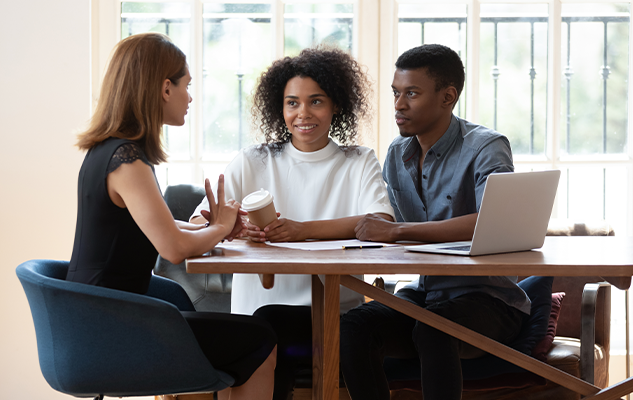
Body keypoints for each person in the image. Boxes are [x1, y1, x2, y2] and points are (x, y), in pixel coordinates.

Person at [66, 32, 277, 400]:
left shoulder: (107, 152)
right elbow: (175, 248)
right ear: (165, 88)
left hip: (95, 319)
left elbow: (159, 226)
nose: (190, 97)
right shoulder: (128, 161)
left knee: (225, 340)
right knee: (261, 341)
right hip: (110, 328)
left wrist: (215, 230)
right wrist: (223, 226)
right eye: (187, 86)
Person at [190, 46, 395, 399]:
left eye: (316, 101)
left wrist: (302, 231)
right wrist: (233, 228)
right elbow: (200, 220)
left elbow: (380, 221)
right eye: (292, 103)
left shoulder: (358, 161)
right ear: (279, 108)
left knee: (280, 332)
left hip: (335, 314)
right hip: (256, 315)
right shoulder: (254, 160)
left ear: (336, 106)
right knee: (266, 332)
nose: (303, 113)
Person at [340, 44, 531, 400]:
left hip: (490, 301)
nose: (398, 105)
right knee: (353, 326)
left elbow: (494, 221)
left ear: (447, 97)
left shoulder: (486, 146)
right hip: (426, 294)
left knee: (433, 328)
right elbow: (386, 223)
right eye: (396, 93)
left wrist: (397, 231)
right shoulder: (398, 153)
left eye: (411, 93)